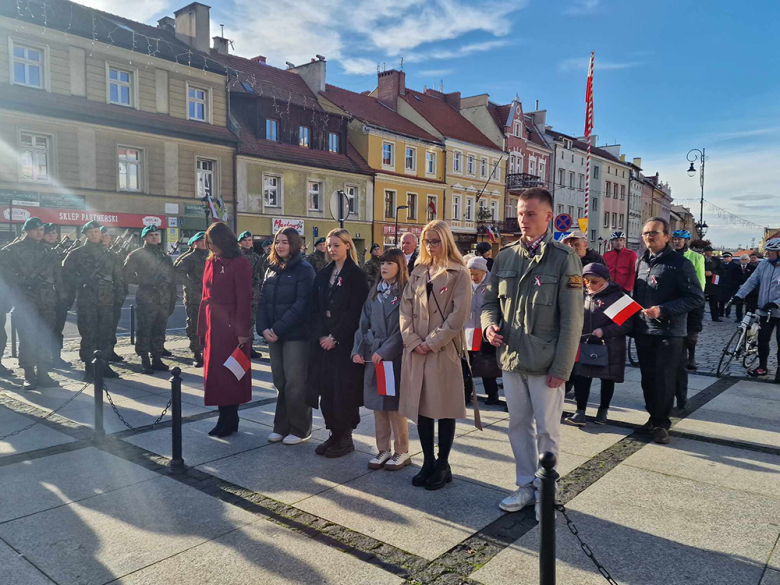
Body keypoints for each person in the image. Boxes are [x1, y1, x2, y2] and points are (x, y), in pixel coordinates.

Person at [482, 188, 583, 517]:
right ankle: (525, 485)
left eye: (530, 214)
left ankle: (545, 488)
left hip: (546, 363)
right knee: (517, 425)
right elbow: (489, 302)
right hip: (512, 359)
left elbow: (572, 319)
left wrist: (562, 368)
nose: (523, 220)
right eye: (521, 213)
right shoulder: (505, 256)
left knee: (548, 428)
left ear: (548, 217)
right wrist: (489, 327)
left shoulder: (564, 258)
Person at [400, 220, 472, 491]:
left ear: (446, 241)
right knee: (422, 409)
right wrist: (412, 339)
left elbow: (458, 316)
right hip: (416, 350)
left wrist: (431, 342)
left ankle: (443, 464)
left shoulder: (459, 273)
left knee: (444, 407)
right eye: (426, 241)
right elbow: (405, 309)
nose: (430, 246)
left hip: (442, 351)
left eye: (435, 241)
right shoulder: (418, 270)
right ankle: (428, 461)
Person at [632, 218, 704, 444]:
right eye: (645, 233)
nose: (648, 237)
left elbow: (695, 298)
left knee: (664, 379)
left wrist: (663, 310)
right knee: (648, 378)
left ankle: (662, 424)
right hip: (644, 331)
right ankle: (653, 418)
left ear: (666, 236)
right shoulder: (642, 262)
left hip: (670, 333)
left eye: (653, 233)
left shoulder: (680, 263)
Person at [307, 229, 370, 458]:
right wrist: (322, 335)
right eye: (329, 245)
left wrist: (336, 337)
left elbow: (357, 312)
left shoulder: (356, 275)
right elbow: (314, 308)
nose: (332, 249)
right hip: (323, 343)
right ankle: (333, 433)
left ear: (347, 246)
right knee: (327, 391)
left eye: (336, 245)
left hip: (345, 345)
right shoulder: (324, 275)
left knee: (344, 391)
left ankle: (345, 436)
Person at [352, 248, 411, 470]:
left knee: (394, 407)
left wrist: (385, 351)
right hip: (374, 355)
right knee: (378, 406)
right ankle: (383, 449)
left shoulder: (406, 292)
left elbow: (404, 329)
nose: (384, 267)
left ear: (400, 266)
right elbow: (363, 324)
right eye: (382, 263)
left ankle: (402, 451)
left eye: (390, 264)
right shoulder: (375, 292)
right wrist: (357, 350)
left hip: (392, 357)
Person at [258, 227, 316, 445]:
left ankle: (301, 429)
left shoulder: (304, 269)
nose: (280, 246)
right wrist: (263, 328)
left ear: (294, 244)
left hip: (296, 336)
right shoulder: (271, 269)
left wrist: (277, 329)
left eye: (284, 242)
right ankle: (281, 427)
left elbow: (301, 305)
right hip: (274, 335)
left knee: (296, 383)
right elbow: (263, 301)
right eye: (277, 242)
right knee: (280, 382)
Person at [198, 222, 253, 438]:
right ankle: (223, 417)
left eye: (214, 243)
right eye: (209, 243)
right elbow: (204, 294)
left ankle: (230, 419)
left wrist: (242, 330)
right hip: (214, 324)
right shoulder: (211, 262)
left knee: (231, 373)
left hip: (230, 325)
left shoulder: (240, 263)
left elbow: (245, 299)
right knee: (216, 374)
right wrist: (202, 326)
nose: (211, 247)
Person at [565, 263, 633, 427]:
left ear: (606, 280)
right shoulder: (582, 295)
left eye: (594, 282)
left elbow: (627, 324)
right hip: (586, 343)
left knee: (607, 378)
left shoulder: (618, 296)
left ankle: (603, 410)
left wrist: (605, 330)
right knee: (582, 376)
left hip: (610, 345)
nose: (590, 285)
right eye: (586, 281)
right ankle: (580, 411)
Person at [0, 217, 64, 389]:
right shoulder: (11, 250)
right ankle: (29, 375)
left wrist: (61, 297)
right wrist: (21, 281)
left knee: (44, 337)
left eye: (41, 230)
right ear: (26, 231)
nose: (39, 233)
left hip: (47, 300)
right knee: (27, 338)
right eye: (35, 230)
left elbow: (58, 277)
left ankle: (44, 374)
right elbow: (3, 274)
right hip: (25, 300)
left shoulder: (49, 251)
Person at [63, 221, 124, 381]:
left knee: (105, 334)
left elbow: (118, 277)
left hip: (107, 300)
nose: (94, 234)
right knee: (88, 334)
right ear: (85, 234)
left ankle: (103, 365)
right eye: (90, 232)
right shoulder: (76, 253)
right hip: (87, 301)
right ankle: (89, 368)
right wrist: (81, 281)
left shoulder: (111, 254)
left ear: (100, 233)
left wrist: (119, 296)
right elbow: (66, 274)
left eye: (96, 231)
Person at [123, 225, 176, 374]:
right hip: (147, 297)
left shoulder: (165, 257)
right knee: (145, 328)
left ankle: (157, 358)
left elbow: (171, 279)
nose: (154, 237)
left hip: (164, 298)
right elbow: (126, 274)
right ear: (144, 238)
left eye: (156, 234)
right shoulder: (136, 254)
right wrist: (144, 280)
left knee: (160, 329)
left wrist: (172, 298)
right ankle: (145, 359)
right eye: (151, 235)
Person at [734, 238, 780, 381]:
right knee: (762, 339)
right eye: (767, 251)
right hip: (766, 311)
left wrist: (777, 303)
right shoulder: (764, 265)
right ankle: (762, 366)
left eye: (771, 252)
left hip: (778, 309)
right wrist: (739, 295)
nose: (767, 254)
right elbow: (752, 280)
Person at [465, 255, 500, 405]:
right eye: (470, 274)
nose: (473, 277)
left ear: (483, 271)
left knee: (487, 364)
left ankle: (492, 395)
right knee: (466, 364)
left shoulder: (493, 283)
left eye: (476, 274)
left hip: (484, 329)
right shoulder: (464, 283)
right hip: (467, 329)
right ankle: (465, 395)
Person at [671, 229, 705, 378]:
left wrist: (697, 298)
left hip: (691, 299)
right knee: (676, 331)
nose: (677, 242)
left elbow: (700, 279)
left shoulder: (696, 257)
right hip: (675, 300)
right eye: (675, 239)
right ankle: (679, 357)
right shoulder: (670, 256)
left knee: (691, 334)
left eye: (680, 239)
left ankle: (691, 357)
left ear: (686, 242)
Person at [173, 232, 208, 366]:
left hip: (209, 297)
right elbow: (177, 274)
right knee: (195, 325)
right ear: (194, 243)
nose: (204, 243)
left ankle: (207, 351)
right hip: (194, 297)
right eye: (200, 240)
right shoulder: (189, 258)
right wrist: (193, 284)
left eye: (205, 240)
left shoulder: (211, 256)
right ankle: (196, 353)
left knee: (209, 326)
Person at [44, 223, 73, 369]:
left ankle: (56, 357)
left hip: (61, 297)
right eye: (48, 232)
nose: (51, 235)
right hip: (44, 298)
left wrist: (68, 296)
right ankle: (44, 360)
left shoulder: (62, 252)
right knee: (44, 329)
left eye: (54, 233)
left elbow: (69, 277)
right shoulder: (40, 251)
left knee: (57, 330)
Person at [238, 231, 264, 359]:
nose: (247, 242)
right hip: (240, 294)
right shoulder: (236, 257)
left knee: (251, 321)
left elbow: (261, 275)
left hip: (254, 294)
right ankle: (240, 347)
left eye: (249, 240)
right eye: (244, 240)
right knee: (240, 321)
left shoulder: (257, 257)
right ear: (239, 243)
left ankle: (249, 347)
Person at [717, 252, 742, 319]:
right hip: (722, 285)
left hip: (730, 285)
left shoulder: (735, 266)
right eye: (724, 258)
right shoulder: (721, 265)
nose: (726, 259)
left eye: (727, 257)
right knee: (721, 300)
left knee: (729, 300)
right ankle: (721, 312)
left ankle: (727, 312)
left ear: (731, 258)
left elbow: (737, 276)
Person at [703, 246, 721, 321]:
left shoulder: (716, 260)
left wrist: (712, 273)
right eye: (709, 251)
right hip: (703, 281)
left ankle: (715, 316)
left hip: (713, 282)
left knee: (714, 301)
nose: (710, 253)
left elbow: (720, 270)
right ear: (705, 252)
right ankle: (699, 316)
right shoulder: (701, 259)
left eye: (711, 251)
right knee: (700, 301)